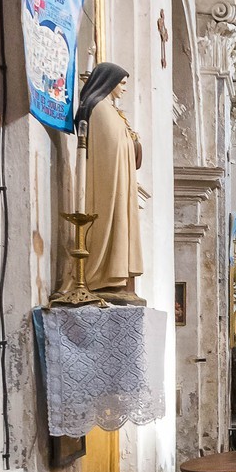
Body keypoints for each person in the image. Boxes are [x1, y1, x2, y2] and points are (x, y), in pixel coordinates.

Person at [75, 62, 144, 300]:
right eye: (122, 83)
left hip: (119, 180)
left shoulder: (108, 109)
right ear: (109, 82)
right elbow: (111, 147)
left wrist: (132, 143)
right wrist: (129, 143)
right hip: (108, 182)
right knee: (109, 223)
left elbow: (121, 143)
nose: (124, 88)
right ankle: (104, 274)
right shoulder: (99, 109)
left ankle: (116, 274)